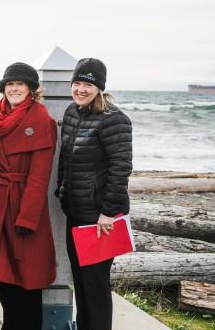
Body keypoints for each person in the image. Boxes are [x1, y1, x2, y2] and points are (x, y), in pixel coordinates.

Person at [57, 58, 132, 330]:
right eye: (76, 83)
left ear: (99, 87)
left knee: (96, 287)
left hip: (100, 218)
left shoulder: (115, 120)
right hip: (75, 212)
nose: (80, 89)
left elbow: (120, 169)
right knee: (81, 282)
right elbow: (65, 158)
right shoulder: (72, 112)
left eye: (87, 84)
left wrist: (108, 212)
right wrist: (61, 191)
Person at [0, 63, 57, 330]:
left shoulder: (42, 120)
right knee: (2, 274)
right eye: (9, 84)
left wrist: (27, 217)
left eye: (20, 85)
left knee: (29, 279)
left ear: (31, 90)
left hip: (25, 210)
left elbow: (40, 176)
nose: (13, 88)